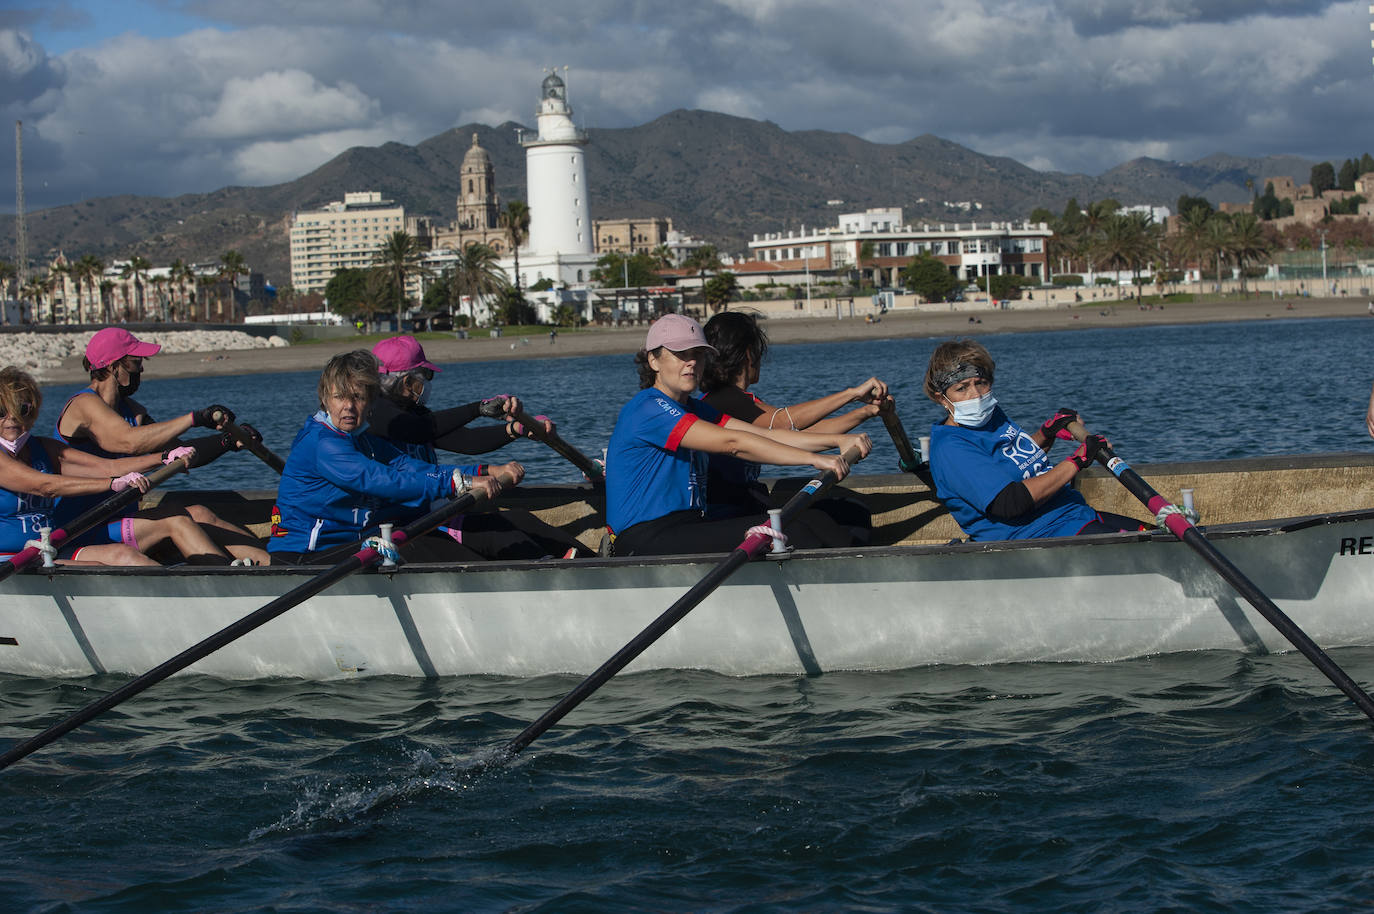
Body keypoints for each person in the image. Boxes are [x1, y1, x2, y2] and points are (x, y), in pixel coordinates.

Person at [605, 313, 872, 556]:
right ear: (653, 360)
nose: (691, 362)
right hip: (643, 539)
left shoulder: (694, 408)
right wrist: (814, 460)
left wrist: (837, 441)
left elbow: (764, 435)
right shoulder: (648, 407)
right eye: (680, 354)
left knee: (818, 521)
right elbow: (732, 443)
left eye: (698, 353)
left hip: (690, 525)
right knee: (800, 532)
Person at [53, 327, 269, 563]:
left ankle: (276, 568)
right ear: (114, 367)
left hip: (118, 519)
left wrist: (226, 441)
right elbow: (128, 442)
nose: (142, 369)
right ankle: (229, 584)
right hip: (80, 528)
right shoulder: (83, 403)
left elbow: (179, 451)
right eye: (136, 362)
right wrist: (195, 418)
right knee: (174, 516)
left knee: (201, 513)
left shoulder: (132, 411)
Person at [268, 349, 505, 565]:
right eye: (340, 397)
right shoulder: (323, 444)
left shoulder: (362, 438)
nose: (349, 406)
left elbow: (408, 466)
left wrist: (474, 474)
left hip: (343, 547)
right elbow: (382, 480)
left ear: (370, 401)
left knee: (433, 544)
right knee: (414, 547)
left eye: (358, 397)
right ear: (325, 400)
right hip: (302, 557)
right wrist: (456, 484)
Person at [367, 335, 590, 558]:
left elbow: (466, 441)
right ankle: (555, 571)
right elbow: (418, 430)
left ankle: (593, 561)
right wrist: (479, 408)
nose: (428, 383)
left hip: (433, 515)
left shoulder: (413, 413)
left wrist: (517, 430)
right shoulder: (375, 414)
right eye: (427, 375)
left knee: (521, 518)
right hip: (402, 527)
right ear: (407, 382)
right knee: (499, 536)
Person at [0, 366, 234, 566]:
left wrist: (164, 457)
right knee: (115, 560)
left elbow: (108, 467)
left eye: (22, 409)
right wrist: (112, 485)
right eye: (1, 411)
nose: (11, 418)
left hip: (49, 548)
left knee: (125, 554)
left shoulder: (43, 448)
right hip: (10, 560)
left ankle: (226, 590)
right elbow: (44, 486)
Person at [922, 339, 1146, 541]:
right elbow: (1010, 502)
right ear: (940, 398)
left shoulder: (990, 415)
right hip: (1033, 535)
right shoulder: (951, 448)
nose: (976, 395)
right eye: (962, 388)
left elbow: (1015, 460)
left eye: (981, 382)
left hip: (1073, 514)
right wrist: (1077, 460)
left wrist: (1047, 434)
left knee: (1159, 532)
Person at [699, 311, 882, 542]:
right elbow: (784, 422)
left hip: (745, 502)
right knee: (832, 522)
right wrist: (851, 394)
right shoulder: (723, 400)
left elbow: (796, 433)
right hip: (727, 511)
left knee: (851, 512)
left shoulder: (740, 399)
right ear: (749, 353)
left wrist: (866, 412)